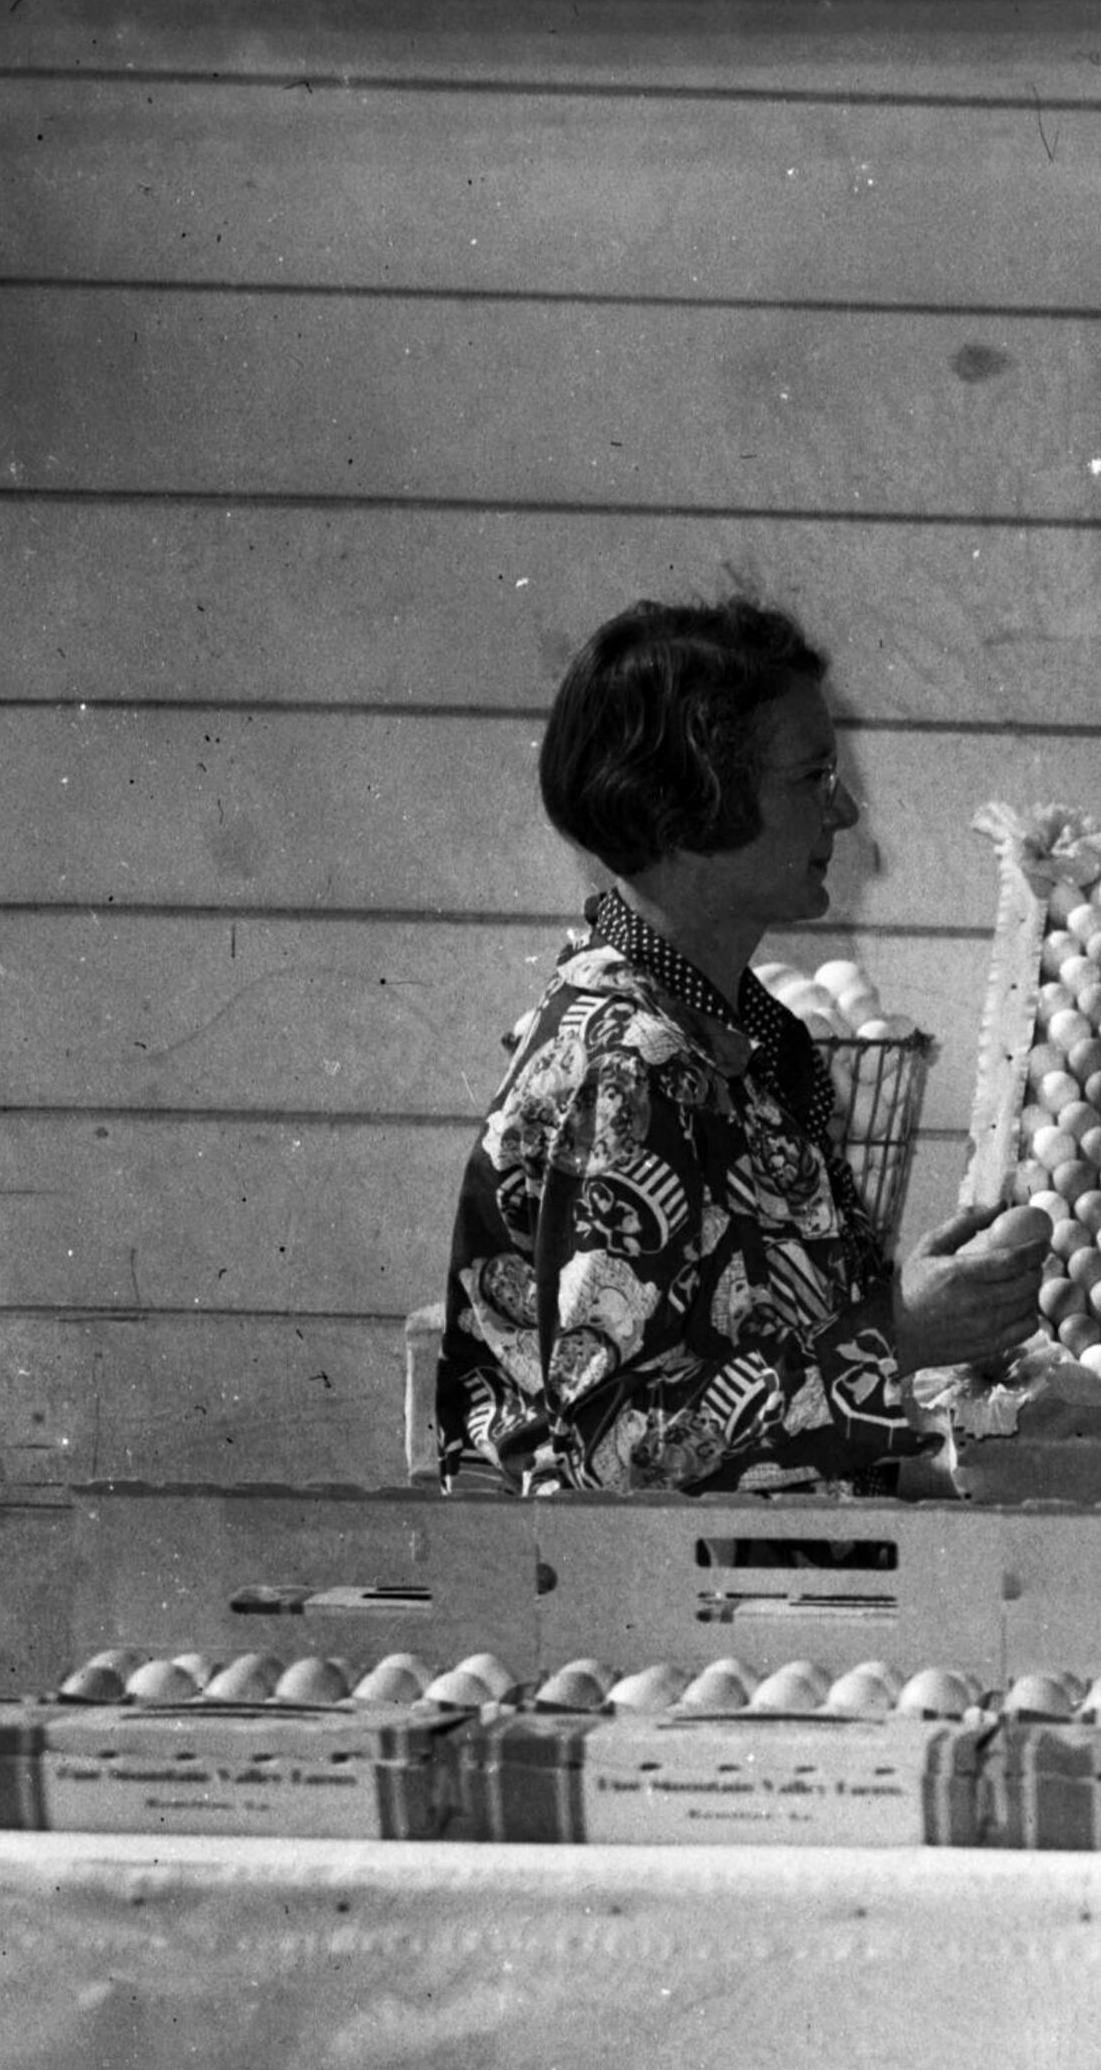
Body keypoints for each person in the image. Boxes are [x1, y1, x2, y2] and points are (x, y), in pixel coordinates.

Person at [435, 598, 1048, 1492]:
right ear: (692, 808)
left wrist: (894, 1303)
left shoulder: (726, 1032)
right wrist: (898, 1333)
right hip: (634, 1618)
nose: (842, 812)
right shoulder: (627, 1062)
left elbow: (744, 1354)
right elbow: (617, 1451)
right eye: (811, 778)